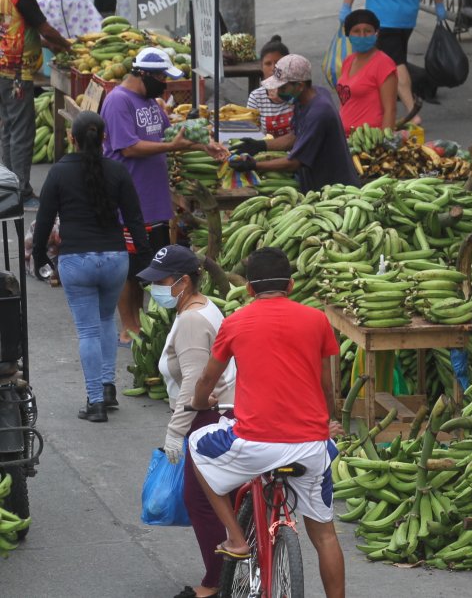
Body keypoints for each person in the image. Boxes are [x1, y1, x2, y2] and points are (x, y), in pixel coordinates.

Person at [189, 246, 345, 598]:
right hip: (308, 447)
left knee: (198, 445)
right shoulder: (316, 320)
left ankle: (236, 538)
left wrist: (200, 403)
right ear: (290, 285)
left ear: (248, 290)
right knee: (325, 535)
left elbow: (206, 381)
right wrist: (328, 419)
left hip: (254, 443)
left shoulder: (235, 322)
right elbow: (326, 385)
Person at [100, 47, 226, 347]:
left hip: (154, 199)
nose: (165, 84)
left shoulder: (151, 102)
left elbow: (170, 139)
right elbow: (128, 147)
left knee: (149, 264)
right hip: (129, 199)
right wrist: (172, 148)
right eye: (161, 77)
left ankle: (143, 322)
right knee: (129, 268)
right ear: (143, 74)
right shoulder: (119, 101)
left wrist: (202, 147)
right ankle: (129, 326)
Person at [31, 112, 147, 422]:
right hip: (114, 259)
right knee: (106, 320)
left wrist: (39, 256)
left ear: (72, 138)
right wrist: (145, 258)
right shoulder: (117, 171)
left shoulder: (58, 172)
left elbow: (43, 220)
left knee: (87, 331)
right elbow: (135, 218)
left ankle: (95, 400)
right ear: (104, 139)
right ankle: (108, 388)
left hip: (76, 260)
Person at [136, 245, 235, 598]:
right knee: (217, 497)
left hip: (209, 416)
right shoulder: (199, 307)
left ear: (183, 281)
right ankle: (229, 569)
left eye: (161, 281)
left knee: (202, 501)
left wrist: (175, 433)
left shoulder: (192, 320)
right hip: (218, 411)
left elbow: (194, 385)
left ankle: (217, 581)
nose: (155, 288)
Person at [342, 0, 445, 126]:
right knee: (393, 61)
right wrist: (439, 3)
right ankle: (385, 109)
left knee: (394, 64)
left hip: (383, 15)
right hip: (408, 13)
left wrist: (346, 5)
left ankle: (411, 111)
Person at [0, 0, 72, 209]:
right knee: (21, 133)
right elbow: (45, 27)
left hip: (1, 71)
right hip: (17, 73)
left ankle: (8, 189)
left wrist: (45, 44)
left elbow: (12, 29)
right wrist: (67, 46)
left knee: (8, 130)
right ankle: (21, 192)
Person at [227, 54, 360, 193]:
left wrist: (254, 165)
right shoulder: (306, 98)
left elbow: (295, 162)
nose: (278, 92)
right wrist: (260, 145)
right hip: (316, 184)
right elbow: (294, 136)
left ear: (300, 85)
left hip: (336, 189)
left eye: (282, 88)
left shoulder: (319, 112)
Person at [337, 9, 397, 134]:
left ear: (376, 33)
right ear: (348, 34)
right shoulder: (348, 61)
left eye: (368, 31)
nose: (362, 36)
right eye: (356, 31)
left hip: (369, 140)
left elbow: (390, 109)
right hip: (346, 138)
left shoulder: (383, 63)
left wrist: (384, 144)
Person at [245, 35, 294, 137]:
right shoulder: (256, 97)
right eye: (268, 64)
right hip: (267, 150)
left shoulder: (297, 90)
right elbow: (250, 131)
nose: (273, 68)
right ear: (261, 67)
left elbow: (307, 124)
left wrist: (287, 98)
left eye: (278, 63)